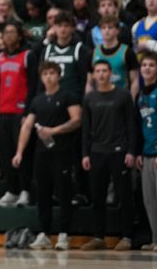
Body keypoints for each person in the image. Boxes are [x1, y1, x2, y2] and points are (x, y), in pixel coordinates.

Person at [13, 61, 81, 251]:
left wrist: (54, 130)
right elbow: (27, 126)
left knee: (64, 193)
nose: (49, 77)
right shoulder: (37, 100)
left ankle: (63, 234)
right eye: (45, 74)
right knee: (42, 194)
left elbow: (76, 120)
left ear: (59, 75)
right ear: (41, 77)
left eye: (52, 73)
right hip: (41, 154)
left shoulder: (68, 96)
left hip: (62, 153)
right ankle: (44, 233)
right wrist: (19, 152)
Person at [80, 59, 138, 251]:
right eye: (98, 71)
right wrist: (85, 154)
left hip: (119, 152)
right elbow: (86, 129)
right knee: (98, 198)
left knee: (124, 197)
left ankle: (127, 237)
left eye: (105, 70)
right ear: (94, 75)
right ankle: (98, 237)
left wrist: (131, 150)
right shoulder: (89, 98)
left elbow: (131, 125)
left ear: (111, 73)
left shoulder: (123, 95)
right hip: (96, 153)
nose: (102, 74)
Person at [0, 22, 39, 207]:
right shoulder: (0, 57)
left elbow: (34, 86)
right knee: (6, 154)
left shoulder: (28, 56)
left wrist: (29, 112)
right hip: (3, 112)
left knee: (23, 155)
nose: (8, 35)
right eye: (5, 32)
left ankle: (25, 191)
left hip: (21, 114)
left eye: (12, 32)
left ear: (19, 35)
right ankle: (12, 190)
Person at [137, 52, 157, 251]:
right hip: (147, 152)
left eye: (152, 65)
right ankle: (155, 239)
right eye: (144, 65)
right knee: (149, 200)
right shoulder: (141, 93)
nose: (147, 68)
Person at [92, 16, 138, 95]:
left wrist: (131, 100)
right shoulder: (94, 52)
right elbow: (89, 83)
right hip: (99, 99)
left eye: (110, 27)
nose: (107, 30)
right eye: (103, 28)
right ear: (100, 31)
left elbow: (135, 80)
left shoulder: (127, 52)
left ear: (117, 30)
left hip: (121, 98)